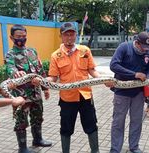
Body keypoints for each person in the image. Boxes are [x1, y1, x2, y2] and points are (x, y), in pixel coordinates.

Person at [32, 22, 101, 153]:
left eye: (72, 34)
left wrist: (102, 80)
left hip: (85, 96)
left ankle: (95, 151)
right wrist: (42, 81)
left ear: (75, 35)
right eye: (66, 35)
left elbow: (92, 70)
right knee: (66, 128)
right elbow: (53, 77)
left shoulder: (85, 51)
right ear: (61, 36)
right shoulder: (56, 55)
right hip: (67, 98)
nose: (69, 37)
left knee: (91, 126)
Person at [5, 24, 52, 153]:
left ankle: (37, 139)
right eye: (18, 36)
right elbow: (10, 68)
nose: (21, 39)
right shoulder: (10, 54)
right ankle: (22, 148)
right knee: (21, 120)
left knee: (38, 117)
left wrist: (45, 88)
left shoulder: (32, 51)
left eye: (24, 36)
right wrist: (16, 72)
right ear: (11, 37)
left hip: (36, 93)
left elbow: (40, 71)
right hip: (21, 95)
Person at [109, 31, 149, 153]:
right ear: (137, 43)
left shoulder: (148, 52)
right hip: (122, 92)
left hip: (138, 93)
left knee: (137, 120)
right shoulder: (124, 47)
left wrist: (147, 76)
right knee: (118, 121)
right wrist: (134, 75)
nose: (145, 51)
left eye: (148, 48)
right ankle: (115, 148)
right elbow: (113, 65)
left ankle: (134, 146)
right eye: (143, 47)